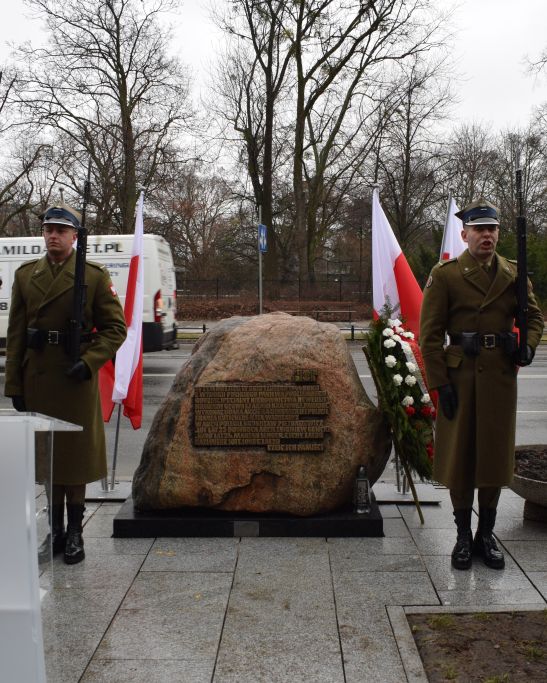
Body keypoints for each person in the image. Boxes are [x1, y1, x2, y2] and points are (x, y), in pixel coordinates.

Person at [420, 198, 544, 571]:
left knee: (493, 455)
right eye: (479, 229)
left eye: (491, 229)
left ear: (498, 234)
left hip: (499, 378)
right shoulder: (446, 276)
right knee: (460, 458)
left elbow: (535, 319)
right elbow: (429, 337)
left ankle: (485, 535)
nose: (486, 235)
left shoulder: (514, 273)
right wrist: (441, 384)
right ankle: (461, 536)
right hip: (459, 375)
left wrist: (527, 347)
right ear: (465, 234)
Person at [4, 203, 126, 564]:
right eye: (48, 229)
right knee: (48, 460)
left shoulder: (93, 275)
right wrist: (14, 385)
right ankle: (54, 532)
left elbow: (115, 328)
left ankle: (75, 534)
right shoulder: (27, 275)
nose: (53, 235)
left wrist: (89, 363)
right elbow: (15, 335)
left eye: (60, 230)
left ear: (74, 236)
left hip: (74, 377)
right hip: (39, 375)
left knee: (74, 459)